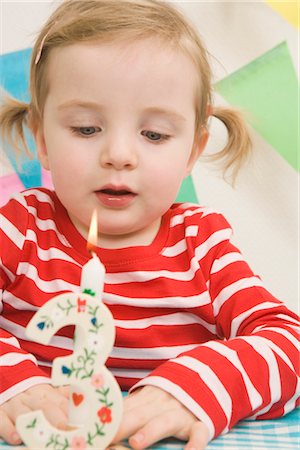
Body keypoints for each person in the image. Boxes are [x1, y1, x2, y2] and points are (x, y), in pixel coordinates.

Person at [0, 0, 299, 449]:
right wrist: (14, 383)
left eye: (154, 134)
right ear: (42, 139)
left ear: (192, 152)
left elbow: (287, 343)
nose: (119, 154)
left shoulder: (202, 244)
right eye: (85, 128)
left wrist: (192, 390)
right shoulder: (20, 228)